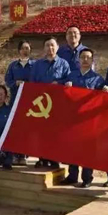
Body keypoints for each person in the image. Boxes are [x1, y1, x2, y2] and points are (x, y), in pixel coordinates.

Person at [60, 48, 105, 188]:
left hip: (89, 119)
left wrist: (106, 92)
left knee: (87, 149)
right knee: (73, 147)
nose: (85, 60)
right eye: (83, 57)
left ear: (92, 60)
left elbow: (103, 100)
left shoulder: (98, 79)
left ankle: (87, 178)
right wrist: (65, 88)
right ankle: (72, 176)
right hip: (74, 118)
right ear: (78, 60)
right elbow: (63, 97)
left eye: (88, 57)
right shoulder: (71, 76)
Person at [30, 37, 71, 169]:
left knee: (55, 132)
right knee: (41, 131)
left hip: (57, 104)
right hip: (41, 103)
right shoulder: (37, 65)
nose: (50, 48)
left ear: (57, 47)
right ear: (44, 48)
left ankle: (53, 158)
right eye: (47, 45)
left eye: (52, 45)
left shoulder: (64, 64)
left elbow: (68, 81)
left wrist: (58, 83)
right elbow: (32, 83)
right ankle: (42, 158)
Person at [4, 40, 35, 166]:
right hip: (15, 100)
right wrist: (15, 83)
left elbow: (37, 81)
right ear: (19, 50)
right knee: (15, 127)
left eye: (27, 48)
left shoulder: (35, 65)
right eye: (22, 48)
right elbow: (7, 80)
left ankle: (24, 155)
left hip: (30, 102)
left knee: (27, 128)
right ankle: (15, 154)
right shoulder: (13, 66)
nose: (25, 50)